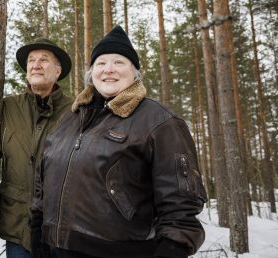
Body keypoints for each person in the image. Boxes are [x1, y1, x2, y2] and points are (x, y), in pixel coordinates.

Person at [30, 26, 207, 258]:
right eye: (101, 63)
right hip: (55, 250)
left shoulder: (158, 121)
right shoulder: (70, 119)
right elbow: (43, 181)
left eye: (119, 62)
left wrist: (171, 249)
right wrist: (37, 230)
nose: (109, 70)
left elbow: (181, 205)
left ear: (135, 72)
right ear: (92, 72)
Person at [0, 38, 73, 258]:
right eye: (31, 60)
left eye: (44, 60)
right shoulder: (6, 107)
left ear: (58, 70)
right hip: (17, 228)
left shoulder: (76, 111)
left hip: (62, 229)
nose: (36, 64)